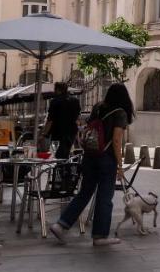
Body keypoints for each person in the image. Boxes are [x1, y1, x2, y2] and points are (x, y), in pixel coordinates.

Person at [48, 82, 132, 247]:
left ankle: (61, 224)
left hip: (90, 155)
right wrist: (120, 165)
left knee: (84, 192)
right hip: (106, 158)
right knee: (104, 197)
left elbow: (87, 128)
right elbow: (116, 140)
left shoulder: (98, 107)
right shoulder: (120, 113)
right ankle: (100, 236)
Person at [42, 82, 81, 159]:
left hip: (58, 133)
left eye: (55, 89)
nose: (54, 91)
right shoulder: (75, 101)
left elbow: (50, 120)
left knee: (58, 156)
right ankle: (64, 169)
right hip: (71, 133)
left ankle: (60, 169)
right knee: (66, 153)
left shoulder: (55, 101)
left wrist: (44, 134)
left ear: (58, 90)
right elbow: (78, 118)